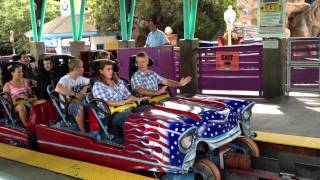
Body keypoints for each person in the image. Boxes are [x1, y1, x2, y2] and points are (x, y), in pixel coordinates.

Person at [92, 60, 147, 131]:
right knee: (128, 116)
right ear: (101, 71)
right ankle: (130, 140)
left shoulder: (119, 82)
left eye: (111, 69)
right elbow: (106, 102)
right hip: (110, 115)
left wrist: (138, 99)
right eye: (108, 69)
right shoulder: (98, 85)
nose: (111, 71)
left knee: (147, 108)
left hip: (126, 108)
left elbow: (128, 95)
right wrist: (122, 102)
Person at [55, 59, 90, 133]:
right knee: (78, 107)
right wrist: (75, 94)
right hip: (67, 105)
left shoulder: (80, 78)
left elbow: (91, 82)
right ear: (76, 68)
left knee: (92, 103)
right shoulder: (65, 79)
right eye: (82, 67)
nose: (83, 69)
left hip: (79, 101)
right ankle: (82, 130)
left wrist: (85, 87)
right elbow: (58, 88)